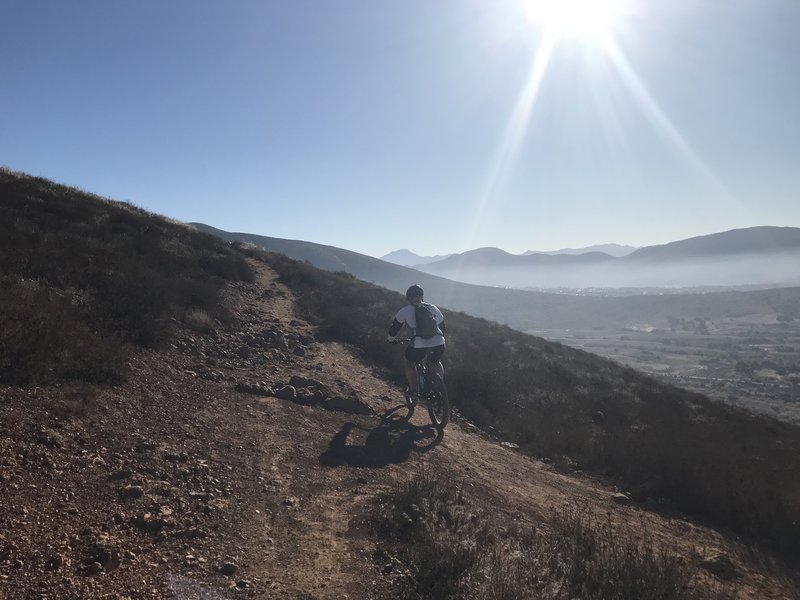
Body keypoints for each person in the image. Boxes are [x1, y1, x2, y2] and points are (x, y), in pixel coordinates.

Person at [387, 284, 446, 404]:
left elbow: (395, 328)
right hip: (439, 342)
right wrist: (438, 339)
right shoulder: (433, 307)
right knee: (435, 362)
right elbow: (442, 326)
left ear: (408, 297)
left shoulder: (405, 310)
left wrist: (391, 339)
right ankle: (437, 387)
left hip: (418, 344)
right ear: (422, 296)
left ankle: (414, 391)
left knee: (409, 361)